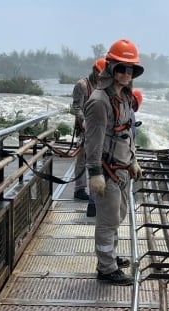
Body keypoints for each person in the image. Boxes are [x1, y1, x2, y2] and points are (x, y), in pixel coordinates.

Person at [84, 38, 144, 286]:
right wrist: (95, 173)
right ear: (110, 68)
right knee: (107, 220)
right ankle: (106, 269)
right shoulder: (99, 101)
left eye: (130, 69)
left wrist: (134, 160)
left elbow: (127, 133)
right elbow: (93, 140)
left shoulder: (125, 97)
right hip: (107, 172)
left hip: (122, 169)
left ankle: (110, 257)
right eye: (121, 68)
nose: (126, 73)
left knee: (117, 215)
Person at [71, 57, 106, 205]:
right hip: (84, 128)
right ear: (94, 70)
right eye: (99, 72)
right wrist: (84, 121)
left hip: (98, 129)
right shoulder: (82, 85)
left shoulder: (103, 86)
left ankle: (96, 190)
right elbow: (76, 107)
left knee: (97, 158)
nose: (100, 76)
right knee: (81, 159)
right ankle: (79, 189)